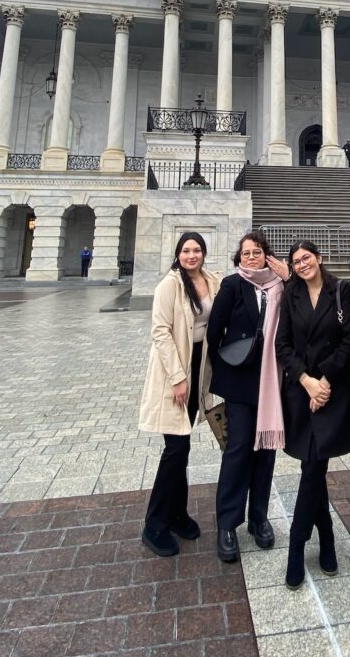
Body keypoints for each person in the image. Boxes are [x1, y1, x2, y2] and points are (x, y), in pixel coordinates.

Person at [276, 240, 350, 590]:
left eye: (306, 258)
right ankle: (325, 539)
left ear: (320, 258)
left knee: (313, 467)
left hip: (332, 391)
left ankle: (297, 547)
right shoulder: (290, 295)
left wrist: (323, 381)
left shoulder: (341, 290)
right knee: (313, 468)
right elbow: (283, 345)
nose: (301, 265)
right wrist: (307, 381)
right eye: (295, 261)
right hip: (301, 392)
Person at [207, 231, 288, 563]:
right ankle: (227, 524)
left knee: (265, 452)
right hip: (240, 382)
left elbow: (302, 306)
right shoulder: (232, 285)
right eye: (246, 253)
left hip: (271, 383)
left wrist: (289, 276)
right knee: (238, 451)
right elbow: (215, 331)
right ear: (238, 257)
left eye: (257, 252)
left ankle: (259, 518)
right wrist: (226, 368)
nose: (251, 257)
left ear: (267, 255)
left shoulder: (279, 286)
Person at [138, 232, 221, 556]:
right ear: (178, 253)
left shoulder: (211, 280)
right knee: (175, 448)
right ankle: (154, 524)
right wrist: (177, 377)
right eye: (186, 250)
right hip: (175, 372)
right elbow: (160, 331)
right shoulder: (169, 285)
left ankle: (177, 513)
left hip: (198, 366)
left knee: (182, 446)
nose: (192, 255)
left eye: (197, 250)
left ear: (204, 253)